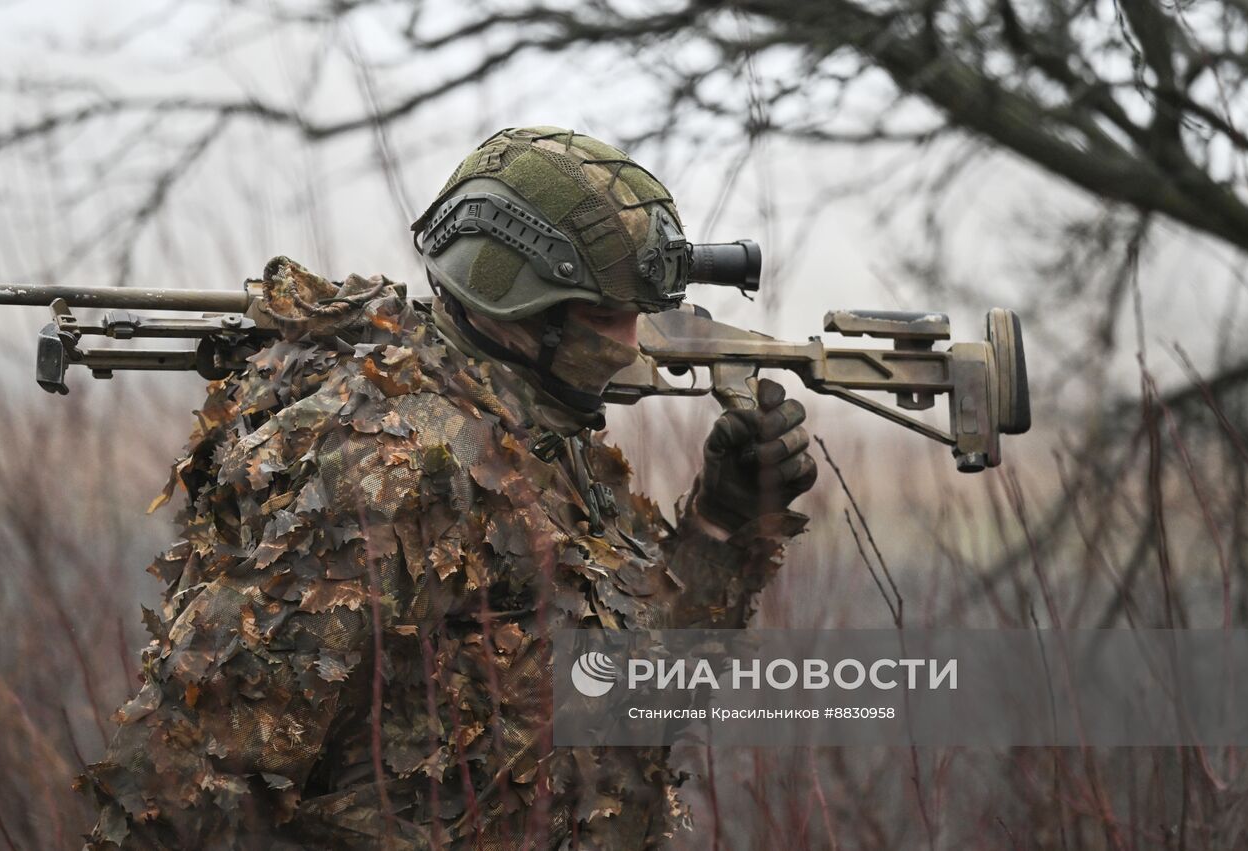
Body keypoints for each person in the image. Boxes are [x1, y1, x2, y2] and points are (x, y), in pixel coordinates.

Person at [82, 125, 816, 849]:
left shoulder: (546, 442)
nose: (629, 346)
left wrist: (723, 527)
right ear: (514, 306)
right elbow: (182, 792)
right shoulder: (382, 468)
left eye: (636, 317)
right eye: (602, 316)